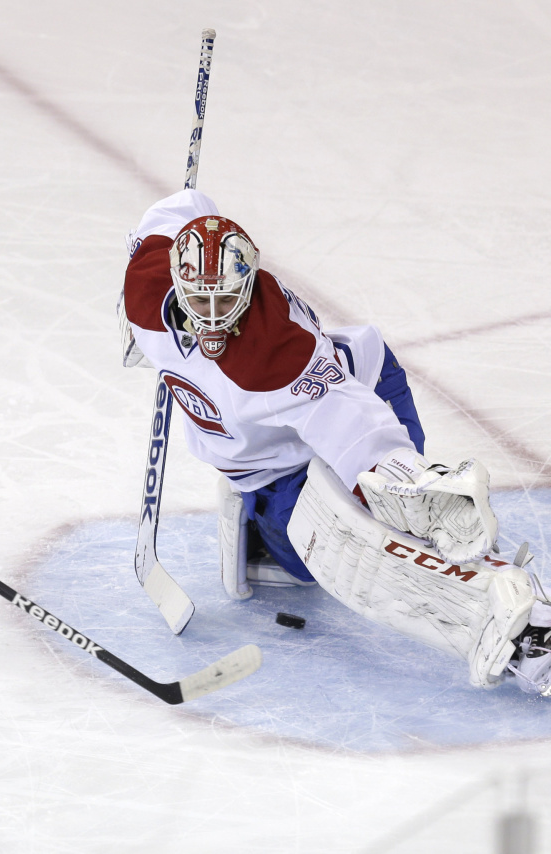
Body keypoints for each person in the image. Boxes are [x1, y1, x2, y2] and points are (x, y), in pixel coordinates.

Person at [118, 189, 551, 698]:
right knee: (309, 567)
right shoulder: (144, 287)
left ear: (250, 282)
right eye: (199, 299)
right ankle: (259, 519)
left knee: (381, 548)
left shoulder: (271, 354)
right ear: (174, 277)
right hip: (270, 465)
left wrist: (409, 492)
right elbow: (177, 210)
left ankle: (528, 632)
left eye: (226, 300)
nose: (211, 316)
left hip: (362, 394)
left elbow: (357, 428)